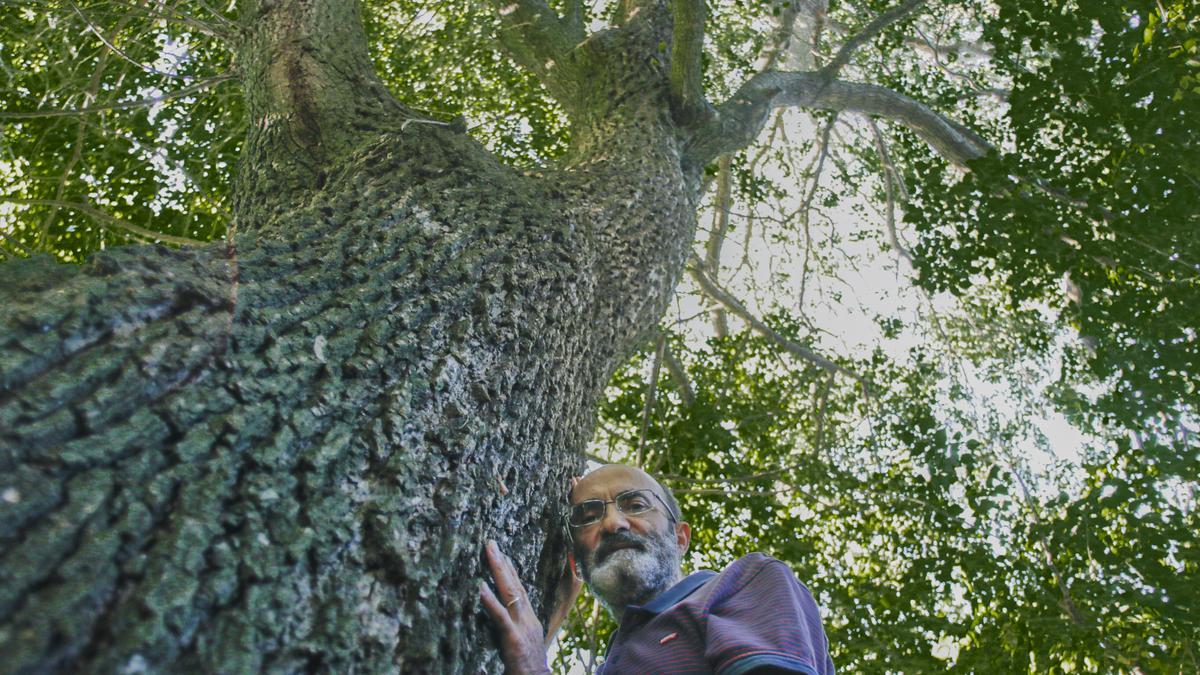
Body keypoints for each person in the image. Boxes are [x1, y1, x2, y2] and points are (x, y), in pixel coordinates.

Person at [480, 464, 835, 674]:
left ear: (680, 538)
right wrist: (551, 622)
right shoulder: (613, 661)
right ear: (576, 565)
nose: (613, 523)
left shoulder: (749, 581)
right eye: (587, 517)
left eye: (635, 504)